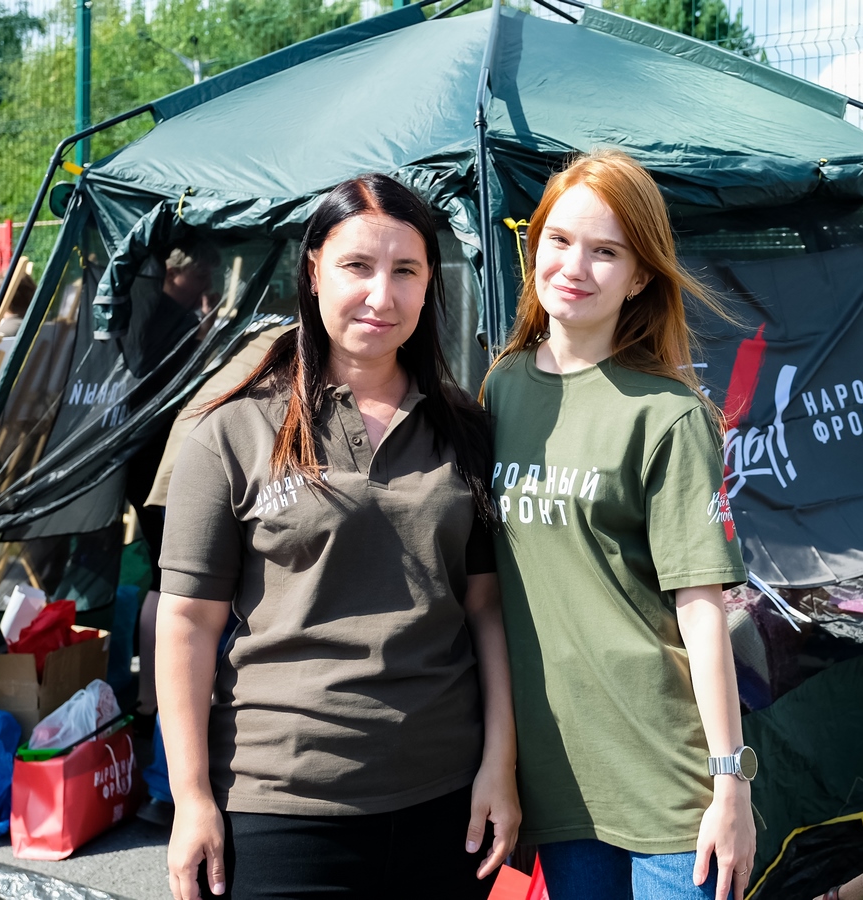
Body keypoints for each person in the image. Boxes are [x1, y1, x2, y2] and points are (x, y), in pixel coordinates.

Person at [155, 174, 519, 900]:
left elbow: (487, 610)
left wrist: (499, 768)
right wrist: (190, 797)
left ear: (430, 284)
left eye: (406, 270)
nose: (382, 295)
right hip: (279, 806)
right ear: (315, 269)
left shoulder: (466, 429)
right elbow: (186, 623)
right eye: (358, 266)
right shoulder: (229, 430)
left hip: (446, 803)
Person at [483, 150, 755, 900]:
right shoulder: (501, 388)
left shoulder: (669, 414)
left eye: (606, 252)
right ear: (534, 246)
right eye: (560, 240)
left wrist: (730, 782)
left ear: (639, 277)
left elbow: (702, 609)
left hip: (670, 785)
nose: (575, 266)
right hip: (559, 782)